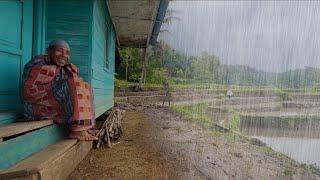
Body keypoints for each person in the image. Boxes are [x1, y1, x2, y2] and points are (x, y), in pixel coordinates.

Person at [22, 39, 97, 141]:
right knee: (74, 84)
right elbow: (29, 90)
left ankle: (84, 126)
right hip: (36, 107)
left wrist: (69, 71)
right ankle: (78, 130)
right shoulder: (37, 62)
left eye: (67, 53)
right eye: (59, 51)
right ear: (49, 51)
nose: (63, 55)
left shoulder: (63, 68)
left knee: (86, 86)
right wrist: (65, 71)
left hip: (54, 108)